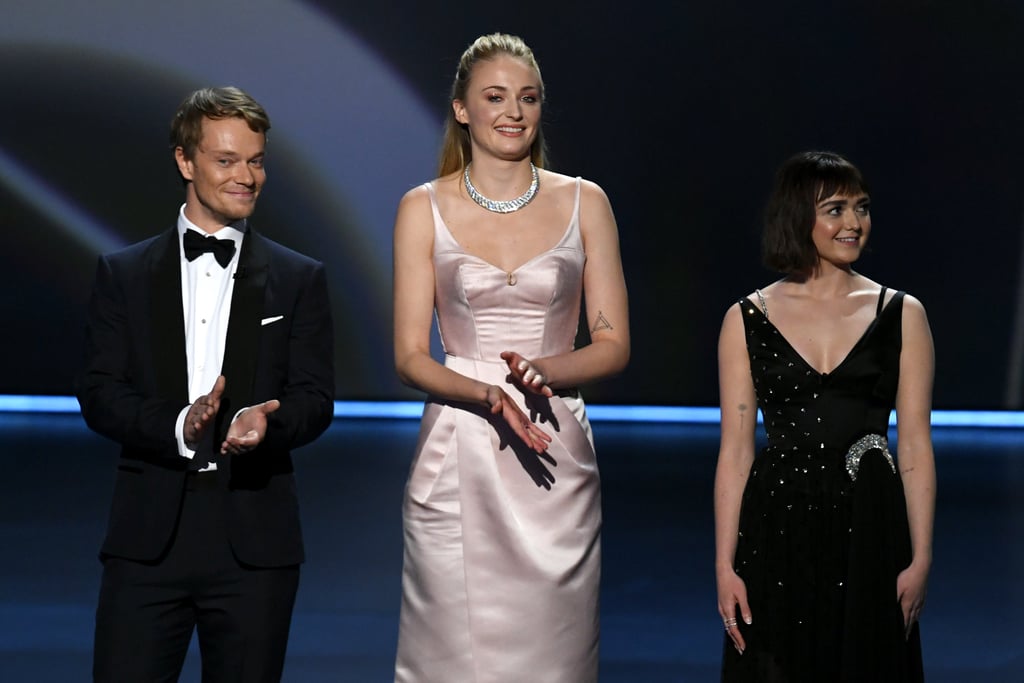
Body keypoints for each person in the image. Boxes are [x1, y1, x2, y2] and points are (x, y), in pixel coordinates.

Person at [391, 32, 630, 682]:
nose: (513, 112)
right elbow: (410, 354)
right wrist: (486, 392)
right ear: (462, 108)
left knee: (555, 654)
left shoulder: (587, 202)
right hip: (458, 447)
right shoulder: (423, 206)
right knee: (449, 655)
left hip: (552, 441)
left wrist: (546, 370)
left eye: (527, 98)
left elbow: (613, 344)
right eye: (495, 96)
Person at [76, 86, 335, 682]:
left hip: (254, 542)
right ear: (185, 162)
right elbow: (99, 392)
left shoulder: (298, 279)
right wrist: (179, 424)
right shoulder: (124, 275)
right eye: (227, 160)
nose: (247, 176)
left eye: (257, 160)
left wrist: (270, 423)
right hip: (148, 539)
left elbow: (315, 399)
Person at [713, 150, 935, 682]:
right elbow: (737, 452)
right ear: (798, 217)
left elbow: (915, 447)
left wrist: (921, 556)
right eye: (835, 209)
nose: (853, 222)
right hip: (777, 527)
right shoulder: (746, 318)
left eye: (861, 208)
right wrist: (724, 565)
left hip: (871, 528)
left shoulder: (901, 313)